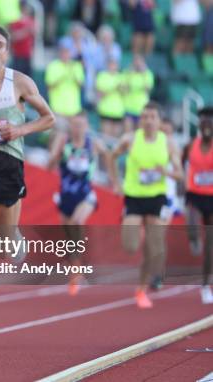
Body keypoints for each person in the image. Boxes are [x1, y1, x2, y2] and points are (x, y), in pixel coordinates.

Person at [0, 26, 55, 327]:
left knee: (4, 246)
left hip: (9, 164)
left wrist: (18, 130)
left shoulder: (20, 82)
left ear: (6, 52)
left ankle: (13, 236)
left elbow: (49, 118)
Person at [109, 102, 183, 309]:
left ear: (159, 121)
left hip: (157, 197)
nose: (148, 121)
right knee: (131, 246)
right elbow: (111, 156)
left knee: (154, 247)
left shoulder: (168, 143)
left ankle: (141, 289)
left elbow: (180, 174)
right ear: (140, 120)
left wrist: (165, 171)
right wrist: (116, 182)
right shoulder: (130, 139)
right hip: (133, 197)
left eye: (152, 117)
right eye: (145, 117)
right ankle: (140, 234)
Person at [47, 113, 111, 295]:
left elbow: (110, 156)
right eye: (75, 125)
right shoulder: (63, 141)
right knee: (68, 233)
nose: (78, 129)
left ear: (87, 126)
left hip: (86, 193)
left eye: (81, 125)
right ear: (70, 127)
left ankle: (77, 268)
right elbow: (50, 164)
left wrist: (112, 179)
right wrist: (56, 156)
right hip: (66, 194)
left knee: (77, 222)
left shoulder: (94, 143)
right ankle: (75, 268)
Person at [183, 106, 213, 304]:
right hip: (194, 195)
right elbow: (180, 164)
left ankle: (205, 286)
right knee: (193, 232)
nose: (206, 124)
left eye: (210, 120)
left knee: (210, 245)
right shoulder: (189, 146)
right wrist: (179, 191)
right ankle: (194, 238)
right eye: (203, 120)